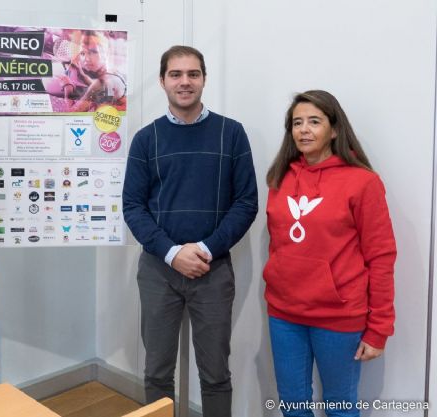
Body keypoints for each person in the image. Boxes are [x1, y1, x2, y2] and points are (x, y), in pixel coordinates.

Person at [123, 45, 258, 417]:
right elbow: (133, 207)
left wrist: (204, 249)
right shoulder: (146, 139)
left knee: (215, 374)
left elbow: (246, 202)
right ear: (163, 81)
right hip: (157, 271)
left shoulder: (231, 134)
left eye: (193, 74)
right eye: (176, 74)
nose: (185, 82)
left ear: (203, 79)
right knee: (157, 372)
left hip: (212, 270)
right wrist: (172, 253)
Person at [264, 90, 396, 416]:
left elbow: (381, 256)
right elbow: (279, 244)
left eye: (314, 122)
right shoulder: (280, 177)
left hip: (339, 317)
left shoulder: (362, 182)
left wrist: (379, 327)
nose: (304, 130)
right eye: (297, 123)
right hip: (284, 313)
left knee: (340, 408)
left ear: (334, 130)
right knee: (292, 406)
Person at [46, 30, 126, 112]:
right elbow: (103, 91)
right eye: (83, 53)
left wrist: (67, 87)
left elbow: (72, 113)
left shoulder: (99, 84)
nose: (86, 59)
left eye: (92, 52)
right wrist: (84, 77)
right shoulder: (113, 75)